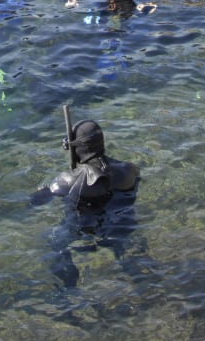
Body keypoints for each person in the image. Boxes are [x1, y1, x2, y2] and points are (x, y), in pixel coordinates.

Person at [30, 114, 140, 287]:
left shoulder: (67, 179)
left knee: (54, 243)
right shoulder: (128, 169)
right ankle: (138, 277)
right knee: (125, 253)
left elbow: (36, 201)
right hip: (122, 226)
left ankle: (68, 289)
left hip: (85, 229)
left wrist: (42, 190)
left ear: (77, 147)